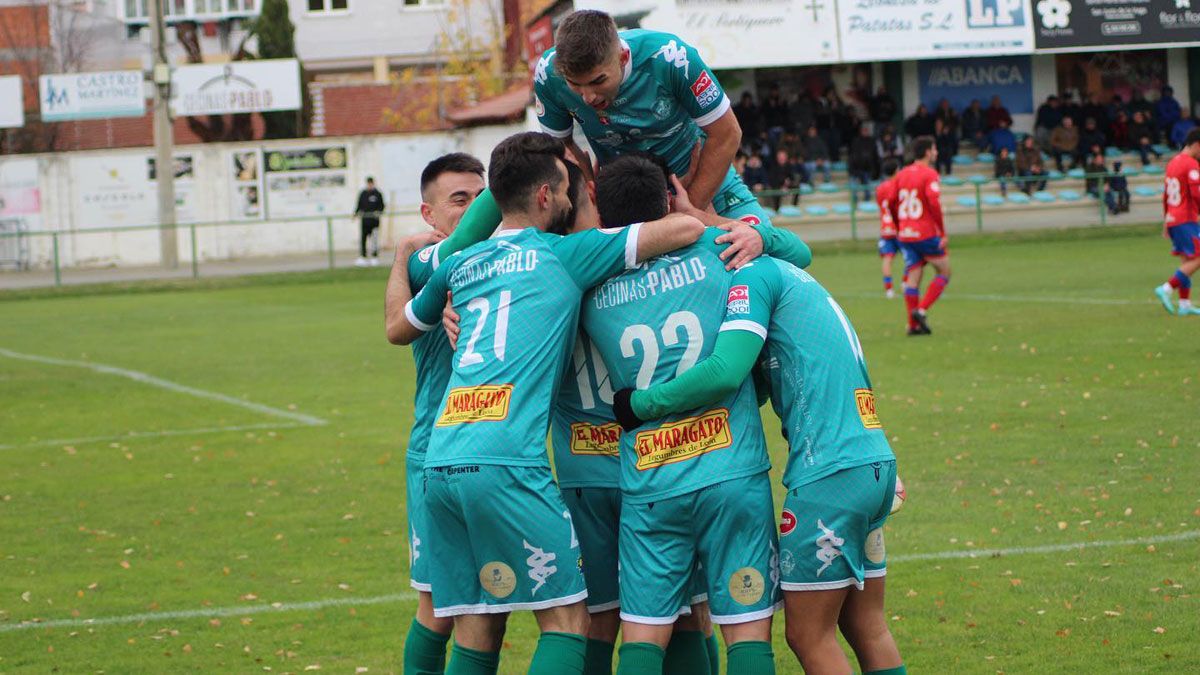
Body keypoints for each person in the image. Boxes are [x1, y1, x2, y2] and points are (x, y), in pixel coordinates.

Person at [387, 132, 709, 674]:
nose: (566, 199)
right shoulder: (563, 254)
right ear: (544, 197)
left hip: (441, 459)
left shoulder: (461, 263)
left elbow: (399, 327)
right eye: (562, 190)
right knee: (568, 621)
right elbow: (686, 228)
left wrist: (403, 259)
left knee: (474, 615)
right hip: (509, 458)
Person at [611, 258, 906, 675]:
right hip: (872, 462)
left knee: (808, 635)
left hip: (829, 476)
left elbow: (724, 371)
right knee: (867, 626)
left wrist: (640, 405)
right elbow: (762, 385)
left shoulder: (753, 276)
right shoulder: (792, 275)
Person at [580, 155, 812, 675]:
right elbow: (798, 252)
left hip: (649, 482)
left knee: (642, 635)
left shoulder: (590, 283)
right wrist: (710, 218)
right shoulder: (718, 250)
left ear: (599, 206)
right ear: (670, 198)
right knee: (747, 631)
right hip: (730, 472)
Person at [383, 153, 490, 675]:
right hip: (436, 453)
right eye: (458, 200)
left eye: (480, 195)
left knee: (488, 604)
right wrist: (404, 254)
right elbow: (393, 328)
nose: (473, 207)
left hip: (494, 453)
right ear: (429, 215)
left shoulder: (498, 252)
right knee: (441, 606)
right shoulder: (433, 259)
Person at [534, 10, 771, 227]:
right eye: (575, 84)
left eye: (598, 81)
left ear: (623, 57)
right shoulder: (548, 74)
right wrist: (592, 195)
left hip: (702, 181)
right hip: (623, 198)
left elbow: (727, 133)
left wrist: (689, 209)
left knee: (766, 248)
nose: (588, 97)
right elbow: (560, 150)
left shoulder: (672, 58)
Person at [895, 136, 950, 335]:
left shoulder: (902, 174)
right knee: (944, 271)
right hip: (924, 233)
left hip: (906, 234)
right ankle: (921, 309)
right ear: (927, 152)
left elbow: (894, 202)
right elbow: (934, 203)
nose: (936, 152)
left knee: (914, 275)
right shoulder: (929, 174)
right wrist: (942, 231)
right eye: (934, 149)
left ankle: (912, 325)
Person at [1154, 128, 1200, 316]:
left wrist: (1166, 219)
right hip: (1186, 218)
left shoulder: (1173, 163)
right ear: (1197, 145)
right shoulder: (1191, 165)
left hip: (1174, 218)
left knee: (1187, 260)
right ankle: (1166, 288)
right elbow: (1197, 193)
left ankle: (1184, 304)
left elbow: (1166, 195)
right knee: (1198, 257)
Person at [876, 158, 901, 298]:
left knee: (887, 259)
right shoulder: (898, 185)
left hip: (886, 227)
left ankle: (889, 290)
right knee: (911, 256)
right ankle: (905, 283)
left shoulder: (880, 188)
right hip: (899, 226)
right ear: (897, 170)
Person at [354, 176, 386, 266]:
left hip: (374, 222)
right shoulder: (363, 193)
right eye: (368, 183)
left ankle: (374, 257)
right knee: (363, 239)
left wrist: (378, 212)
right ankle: (363, 257)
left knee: (374, 240)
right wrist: (355, 213)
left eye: (371, 183)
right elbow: (359, 205)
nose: (369, 185)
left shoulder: (378, 194)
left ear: (373, 183)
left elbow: (382, 206)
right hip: (365, 221)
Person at [848, 125, 879, 202]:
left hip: (867, 169)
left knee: (867, 183)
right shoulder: (856, 143)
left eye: (866, 131)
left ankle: (867, 200)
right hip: (856, 169)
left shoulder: (872, 141)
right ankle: (854, 200)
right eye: (863, 131)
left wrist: (874, 171)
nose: (865, 132)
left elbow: (875, 158)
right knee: (853, 183)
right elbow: (851, 162)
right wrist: (853, 172)